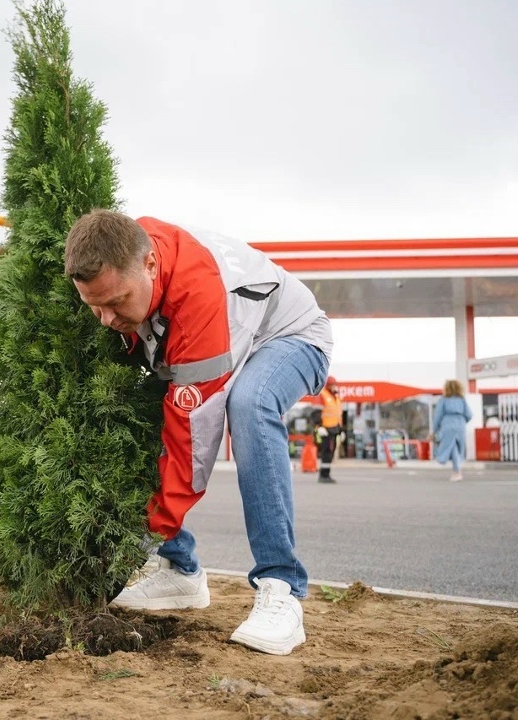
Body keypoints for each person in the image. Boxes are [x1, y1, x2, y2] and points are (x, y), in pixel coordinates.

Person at [64, 210, 333, 656]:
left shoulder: (198, 304)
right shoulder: (120, 249)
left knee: (250, 402)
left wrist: (140, 538)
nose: (106, 320)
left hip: (291, 337)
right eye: (95, 305)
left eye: (117, 302)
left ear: (151, 265)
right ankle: (181, 571)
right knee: (143, 413)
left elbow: (194, 445)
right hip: (223, 334)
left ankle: (282, 588)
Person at [432, 380, 472, 481]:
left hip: (448, 424)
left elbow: (438, 416)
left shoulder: (443, 400)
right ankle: (457, 470)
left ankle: (457, 471)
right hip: (461, 424)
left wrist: (435, 429)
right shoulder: (462, 400)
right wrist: (462, 421)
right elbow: (469, 414)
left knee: (451, 446)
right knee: (458, 448)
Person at [317, 376, 342, 483]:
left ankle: (327, 474)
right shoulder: (322, 395)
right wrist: (319, 426)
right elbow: (316, 413)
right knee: (326, 453)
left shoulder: (335, 397)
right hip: (325, 429)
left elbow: (338, 415)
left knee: (330, 453)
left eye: (335, 385)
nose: (334, 387)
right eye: (332, 385)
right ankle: (323, 475)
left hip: (335, 429)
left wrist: (341, 430)